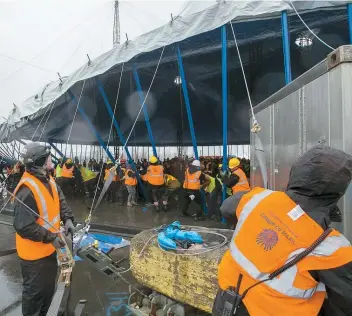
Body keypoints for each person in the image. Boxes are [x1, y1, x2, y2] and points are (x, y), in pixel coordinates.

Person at [213, 145, 352, 316]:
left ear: (297, 171)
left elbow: (227, 208)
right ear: (338, 191)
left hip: (225, 304)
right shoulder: (333, 249)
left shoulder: (260, 199)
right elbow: (345, 304)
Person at [13, 142, 74, 316]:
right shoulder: (26, 190)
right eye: (48, 159)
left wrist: (68, 218)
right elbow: (23, 226)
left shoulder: (47, 178)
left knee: (48, 291)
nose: (52, 161)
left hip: (49, 250)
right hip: (33, 257)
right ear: (41, 162)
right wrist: (50, 237)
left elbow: (59, 199)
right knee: (34, 296)